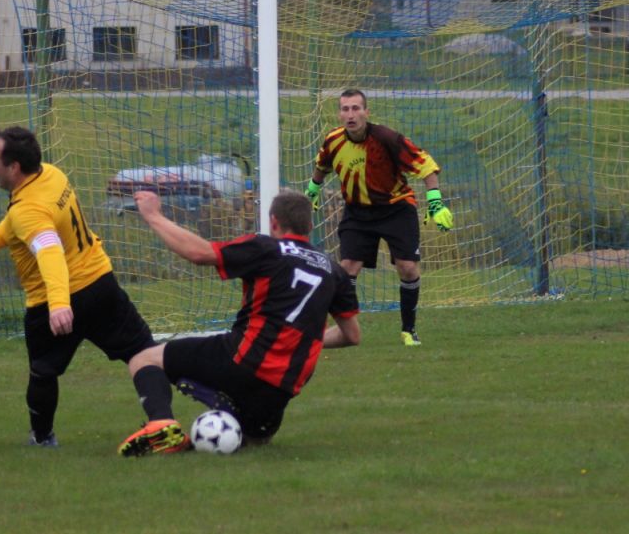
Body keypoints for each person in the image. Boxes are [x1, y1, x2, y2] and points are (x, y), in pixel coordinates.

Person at [0, 126, 189, 453]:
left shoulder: (27, 209)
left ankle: (42, 439)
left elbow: (49, 250)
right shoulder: (52, 175)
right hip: (100, 283)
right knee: (142, 352)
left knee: (43, 371)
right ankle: (162, 421)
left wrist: (59, 304)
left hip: (54, 300)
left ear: (13, 167)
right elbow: (17, 225)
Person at [117, 188, 360, 457]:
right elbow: (352, 335)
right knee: (255, 443)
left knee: (143, 359)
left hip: (242, 362)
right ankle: (226, 406)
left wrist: (154, 216)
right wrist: (303, 341)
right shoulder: (334, 270)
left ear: (274, 222)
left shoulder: (266, 248)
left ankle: (161, 423)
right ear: (310, 226)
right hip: (280, 390)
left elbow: (199, 253)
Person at [305, 88, 453, 347]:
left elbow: (426, 165)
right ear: (339, 114)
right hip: (357, 212)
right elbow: (322, 165)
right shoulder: (333, 141)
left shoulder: (387, 138)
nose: (350, 114)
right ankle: (345, 331)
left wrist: (435, 202)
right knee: (348, 268)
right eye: (345, 109)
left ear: (366, 112)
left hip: (396, 208)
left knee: (407, 268)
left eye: (355, 108)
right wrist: (313, 189)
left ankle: (409, 330)